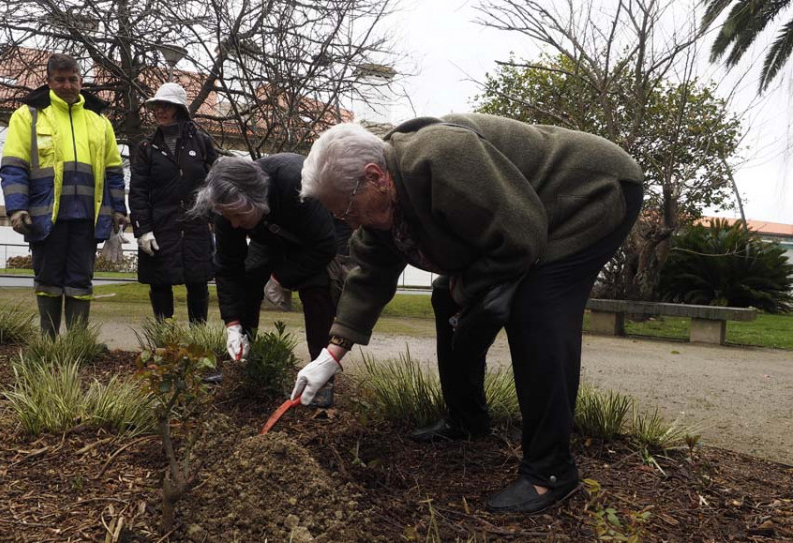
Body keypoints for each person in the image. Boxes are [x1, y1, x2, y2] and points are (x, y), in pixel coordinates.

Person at [290, 114, 644, 514]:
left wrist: (466, 287)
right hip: (529, 215)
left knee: (537, 308)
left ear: (375, 176)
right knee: (446, 297)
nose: (345, 220)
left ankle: (550, 472)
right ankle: (466, 419)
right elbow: (369, 275)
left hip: (587, 194)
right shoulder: (381, 205)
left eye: (346, 209)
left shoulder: (440, 159)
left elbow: (521, 238)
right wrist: (331, 354)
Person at [0, 53, 127, 337]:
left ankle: (76, 342)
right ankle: (48, 340)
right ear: (48, 81)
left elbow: (113, 170)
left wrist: (119, 209)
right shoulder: (28, 116)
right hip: (46, 216)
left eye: (72, 79)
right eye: (60, 80)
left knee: (81, 280)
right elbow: (13, 167)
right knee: (48, 279)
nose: (67, 85)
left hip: (87, 217)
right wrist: (16, 208)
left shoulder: (99, 120)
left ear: (81, 81)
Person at [192, 155, 339, 366]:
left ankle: (321, 370)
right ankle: (242, 355)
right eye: (229, 217)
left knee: (316, 288)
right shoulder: (227, 207)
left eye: (239, 217)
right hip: (270, 235)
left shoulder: (295, 182)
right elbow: (228, 266)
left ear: (256, 200)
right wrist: (232, 324)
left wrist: (280, 278)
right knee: (249, 278)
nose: (234, 224)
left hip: (316, 235)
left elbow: (325, 245)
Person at [129, 82, 218, 323]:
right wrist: (142, 230)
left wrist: (212, 218)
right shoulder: (146, 148)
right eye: (157, 106)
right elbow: (138, 191)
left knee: (198, 285)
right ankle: (164, 338)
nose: (160, 111)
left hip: (195, 227)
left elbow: (216, 181)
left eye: (166, 106)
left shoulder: (201, 142)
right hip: (160, 227)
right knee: (160, 285)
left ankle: (198, 338)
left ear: (179, 109)